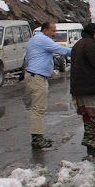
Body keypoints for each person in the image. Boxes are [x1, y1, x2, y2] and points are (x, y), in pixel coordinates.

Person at [25, 21, 73, 149]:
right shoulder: (43, 40)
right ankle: (37, 138)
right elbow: (62, 50)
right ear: (45, 30)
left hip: (35, 75)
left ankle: (38, 135)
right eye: (52, 30)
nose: (54, 33)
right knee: (38, 109)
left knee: (38, 108)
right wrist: (79, 51)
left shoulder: (35, 40)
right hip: (37, 77)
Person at [70, 23, 95, 156]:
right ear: (94, 34)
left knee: (87, 115)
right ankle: (89, 138)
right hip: (90, 86)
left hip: (78, 85)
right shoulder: (91, 45)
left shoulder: (78, 44)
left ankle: (91, 141)